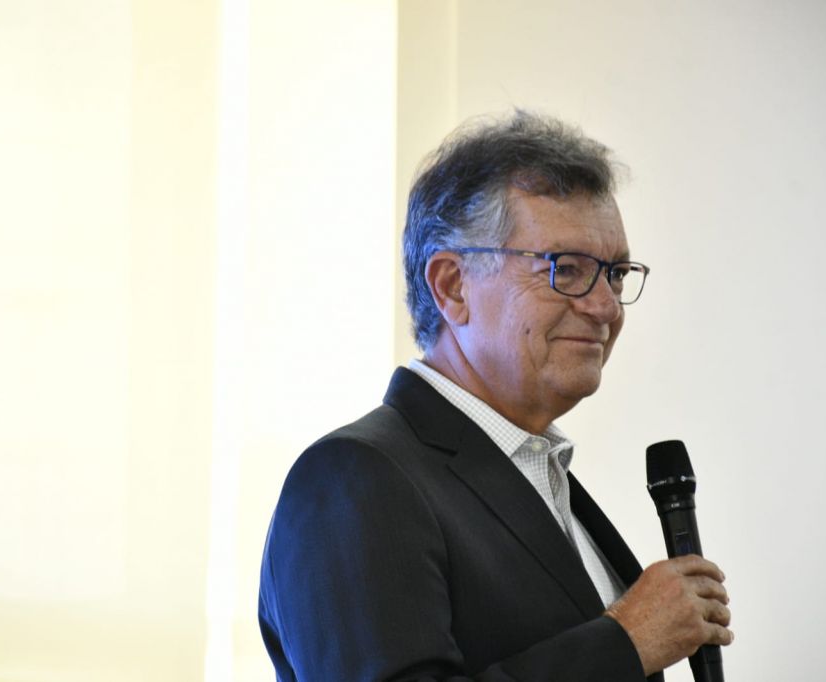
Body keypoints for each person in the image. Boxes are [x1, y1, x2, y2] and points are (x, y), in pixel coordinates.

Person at [258, 111, 732, 681]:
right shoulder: (353, 478)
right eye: (567, 269)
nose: (606, 307)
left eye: (615, 274)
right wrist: (626, 641)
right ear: (453, 286)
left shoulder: (538, 472)